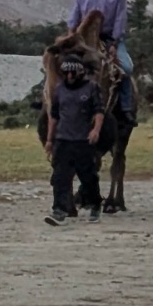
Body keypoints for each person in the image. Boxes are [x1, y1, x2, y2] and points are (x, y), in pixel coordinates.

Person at [68, 0, 134, 125]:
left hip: (107, 37)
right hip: (83, 36)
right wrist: (71, 32)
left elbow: (120, 19)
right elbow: (76, 10)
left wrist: (113, 43)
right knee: (60, 60)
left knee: (126, 67)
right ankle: (49, 99)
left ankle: (126, 108)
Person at [44, 54, 104, 226]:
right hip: (63, 140)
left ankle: (94, 204)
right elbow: (54, 116)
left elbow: (99, 111)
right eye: (66, 72)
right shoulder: (59, 89)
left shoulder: (92, 87)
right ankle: (59, 210)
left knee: (88, 176)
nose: (70, 76)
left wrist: (96, 130)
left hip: (83, 140)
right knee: (60, 176)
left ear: (80, 72)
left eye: (73, 72)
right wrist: (49, 139)